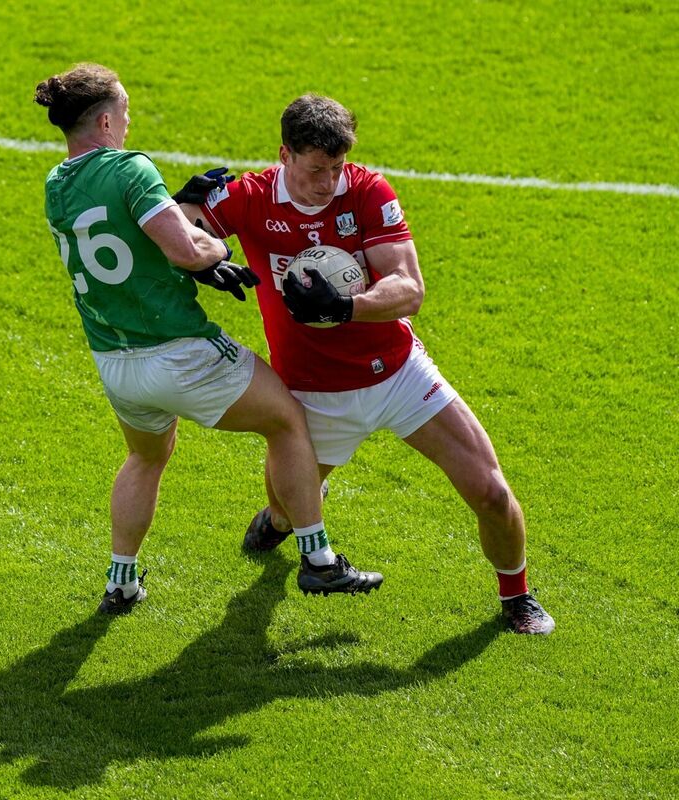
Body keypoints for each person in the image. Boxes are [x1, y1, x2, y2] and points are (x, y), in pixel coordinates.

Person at [172, 93, 554, 634]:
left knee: (490, 490)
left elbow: (408, 288)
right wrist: (184, 210)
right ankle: (282, 520)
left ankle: (517, 595)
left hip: (398, 375)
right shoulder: (250, 197)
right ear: (284, 155)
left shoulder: (368, 191)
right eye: (314, 170)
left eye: (336, 168)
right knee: (286, 510)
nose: (328, 183)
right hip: (310, 392)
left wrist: (344, 307)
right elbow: (179, 236)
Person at [34, 66, 382, 613]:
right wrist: (216, 253)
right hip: (179, 350)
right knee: (288, 420)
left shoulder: (57, 184)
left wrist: (177, 212)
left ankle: (121, 582)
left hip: (115, 361)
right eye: (123, 110)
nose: (127, 120)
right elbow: (189, 252)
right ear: (105, 119)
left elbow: (135, 244)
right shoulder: (130, 168)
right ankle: (318, 560)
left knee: (146, 457)